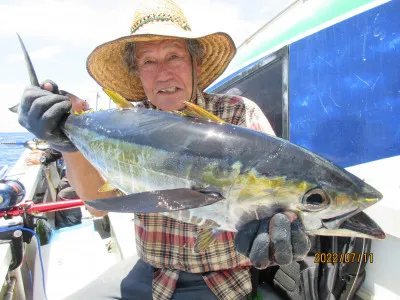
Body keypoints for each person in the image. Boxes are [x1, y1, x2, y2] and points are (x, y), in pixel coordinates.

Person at [18, 0, 311, 299]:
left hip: (220, 283)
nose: (163, 74)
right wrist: (64, 141)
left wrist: (287, 224)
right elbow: (97, 203)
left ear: (195, 63)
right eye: (148, 62)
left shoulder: (237, 115)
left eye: (174, 56)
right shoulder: (124, 123)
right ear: (137, 73)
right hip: (148, 275)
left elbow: (279, 187)